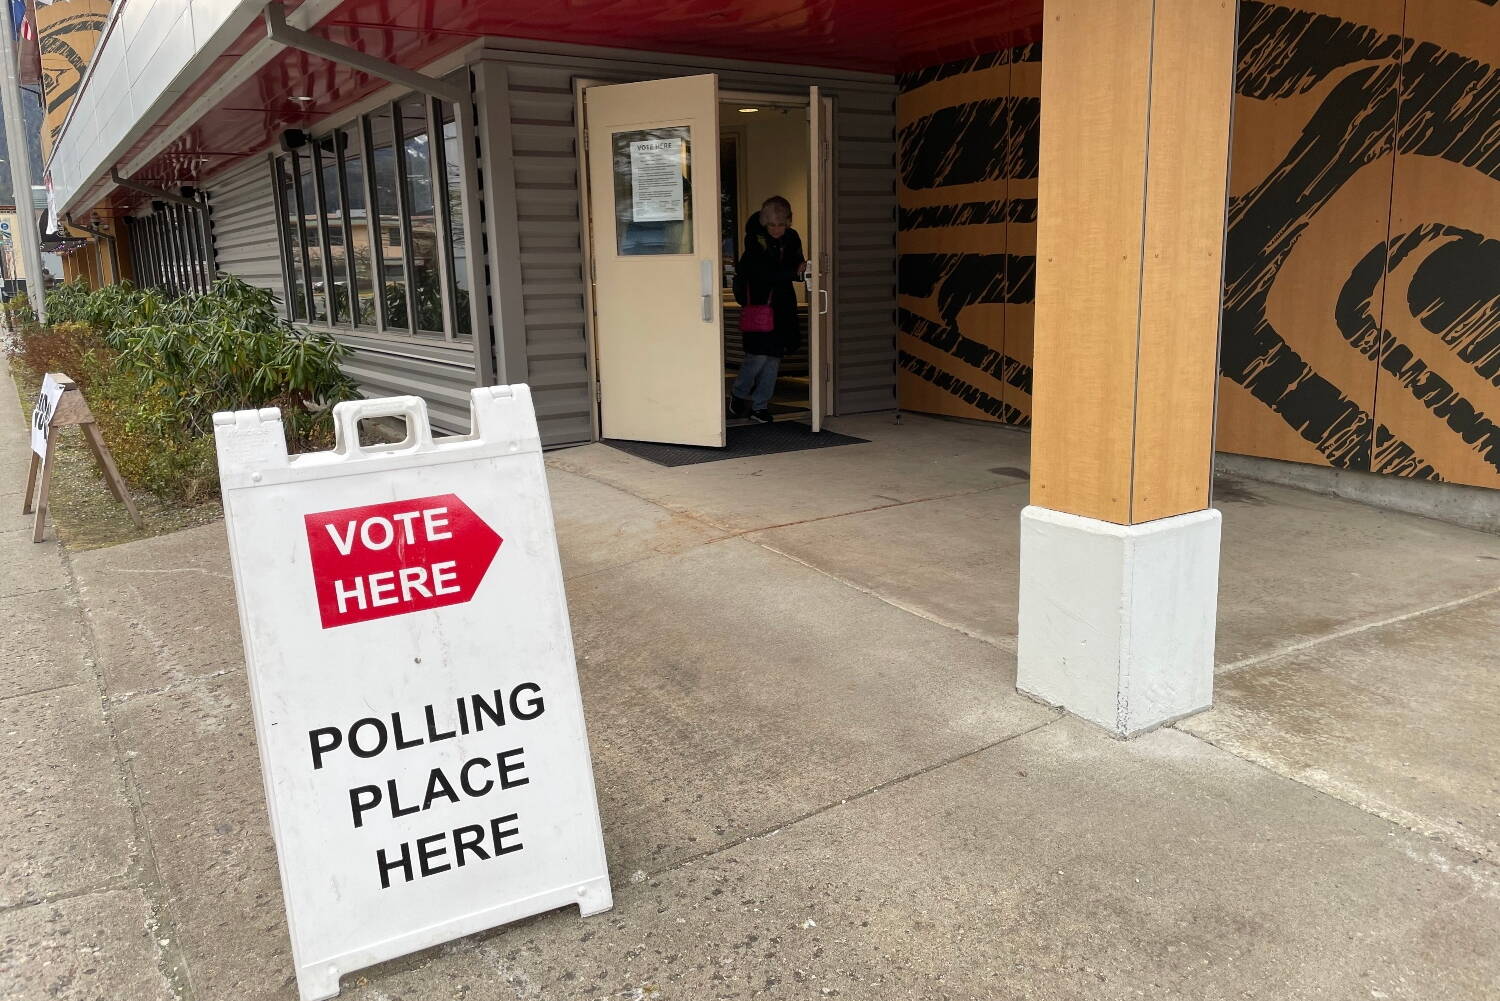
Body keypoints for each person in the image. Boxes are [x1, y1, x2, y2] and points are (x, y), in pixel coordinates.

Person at [730, 196, 806, 423]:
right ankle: (740, 393)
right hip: (761, 306)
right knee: (758, 356)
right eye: (772, 224)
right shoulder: (754, 241)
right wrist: (793, 272)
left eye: (781, 224)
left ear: (789, 222)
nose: (776, 229)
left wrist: (800, 270)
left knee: (773, 358)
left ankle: (760, 406)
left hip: (782, 306)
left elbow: (796, 267)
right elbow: (763, 274)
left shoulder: (792, 238)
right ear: (764, 222)